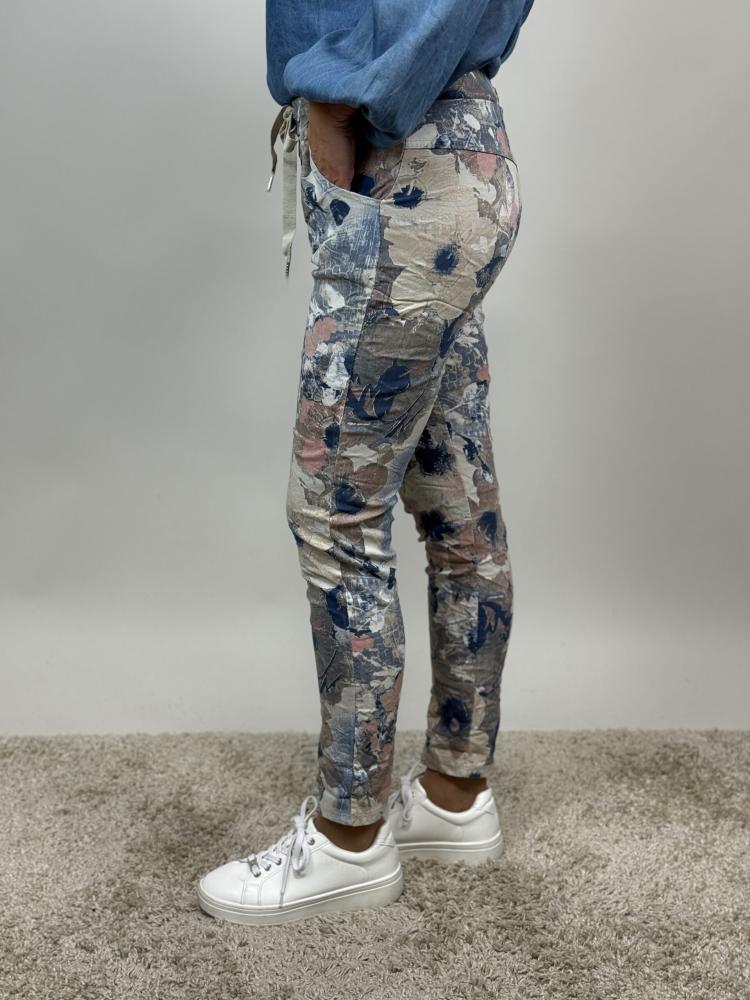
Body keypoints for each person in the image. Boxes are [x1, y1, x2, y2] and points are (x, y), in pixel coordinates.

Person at [198, 0, 535, 925]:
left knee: (336, 516)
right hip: (471, 147)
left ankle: (348, 838)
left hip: (403, 164)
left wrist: (334, 99)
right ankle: (456, 794)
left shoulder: (361, 112)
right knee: (455, 497)